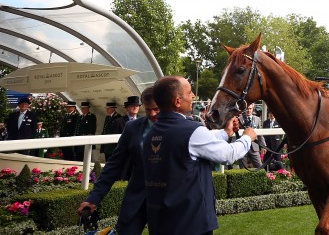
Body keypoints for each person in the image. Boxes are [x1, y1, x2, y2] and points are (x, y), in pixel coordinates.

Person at [142, 76, 256, 235]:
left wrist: (226, 133)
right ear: (177, 101)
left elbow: (191, 147)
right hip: (191, 223)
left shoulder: (150, 134)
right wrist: (247, 137)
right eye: (189, 93)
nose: (193, 96)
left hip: (161, 222)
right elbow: (228, 155)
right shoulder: (192, 130)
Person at [77, 87, 161, 235]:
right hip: (136, 199)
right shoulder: (132, 127)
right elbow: (113, 165)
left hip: (167, 202)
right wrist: (93, 198)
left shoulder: (182, 128)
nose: (152, 114)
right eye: (148, 110)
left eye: (157, 109)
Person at [239, 104, 267, 168]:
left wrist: (263, 146)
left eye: (250, 109)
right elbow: (236, 135)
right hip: (242, 147)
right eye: (247, 109)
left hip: (254, 146)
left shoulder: (257, 119)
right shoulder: (239, 119)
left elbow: (260, 134)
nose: (248, 110)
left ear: (252, 109)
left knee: (259, 167)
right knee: (242, 169)